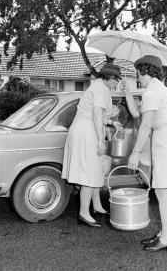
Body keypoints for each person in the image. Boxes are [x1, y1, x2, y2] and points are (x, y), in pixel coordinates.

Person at [122, 55, 167, 251]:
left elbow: (145, 125)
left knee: (164, 191)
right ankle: (165, 233)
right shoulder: (156, 89)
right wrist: (128, 93)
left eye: (138, 72)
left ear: (145, 70)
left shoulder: (152, 92)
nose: (137, 77)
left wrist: (135, 153)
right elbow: (137, 113)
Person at [62, 62, 122, 228]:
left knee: (94, 170)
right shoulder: (102, 90)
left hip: (83, 128)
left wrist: (110, 122)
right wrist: (101, 142)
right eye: (116, 80)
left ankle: (97, 207)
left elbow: (94, 114)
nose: (116, 83)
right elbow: (96, 113)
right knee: (89, 172)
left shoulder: (96, 87)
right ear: (110, 78)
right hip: (87, 132)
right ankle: (83, 213)